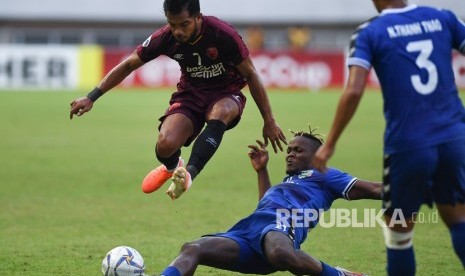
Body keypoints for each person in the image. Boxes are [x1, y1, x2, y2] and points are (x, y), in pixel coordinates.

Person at [69, 0, 286, 200]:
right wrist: (91, 97)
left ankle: (188, 175)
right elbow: (129, 64)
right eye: (172, 25)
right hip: (191, 93)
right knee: (165, 145)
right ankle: (174, 167)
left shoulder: (223, 34)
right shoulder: (166, 37)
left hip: (226, 92)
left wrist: (269, 120)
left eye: (184, 24)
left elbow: (251, 74)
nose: (178, 31)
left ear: (198, 17)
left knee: (221, 111)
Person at [312, 1, 465, 275]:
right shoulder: (442, 17)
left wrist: (330, 143)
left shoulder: (370, 31)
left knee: (398, 231)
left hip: (408, 143)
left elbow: (354, 90)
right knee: (457, 218)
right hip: (455, 137)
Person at [158, 130, 382, 276]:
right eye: (289, 150)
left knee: (280, 252)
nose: (290, 154)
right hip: (250, 232)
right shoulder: (288, 182)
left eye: (298, 150)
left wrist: (411, 190)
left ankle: (338, 274)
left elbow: (373, 189)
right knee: (192, 248)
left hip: (280, 229)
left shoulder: (325, 175)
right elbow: (265, 207)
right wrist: (262, 170)